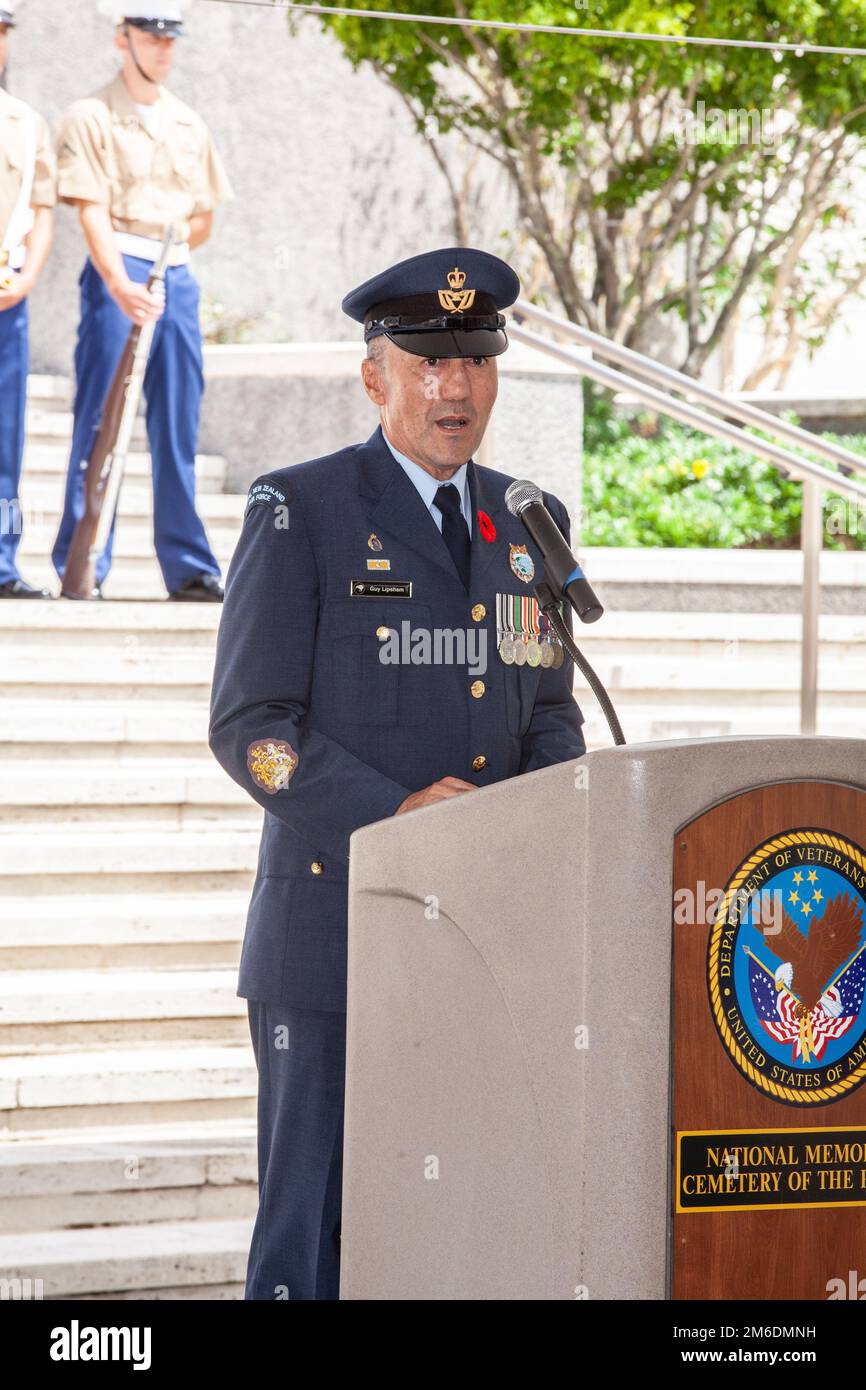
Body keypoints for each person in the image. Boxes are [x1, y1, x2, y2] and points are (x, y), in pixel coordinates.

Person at [209, 247, 587, 1300]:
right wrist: (399, 816)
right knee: (312, 1235)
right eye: (424, 362)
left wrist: (547, 816)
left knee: (463, 1219)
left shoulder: (528, 522)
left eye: (473, 359)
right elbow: (252, 728)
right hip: (330, 941)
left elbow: (548, 708)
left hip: (482, 941)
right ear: (373, 375)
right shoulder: (301, 511)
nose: (453, 386)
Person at [51, 3, 233, 601]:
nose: (163, 49)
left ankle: (187, 565)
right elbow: (91, 210)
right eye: (151, 37)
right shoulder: (90, 116)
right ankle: (84, 561)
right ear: (121, 39)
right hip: (120, 267)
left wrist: (179, 242)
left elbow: (204, 215)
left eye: (169, 39)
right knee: (101, 419)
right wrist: (116, 280)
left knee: (177, 422)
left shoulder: (187, 122)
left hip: (174, 271)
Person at [0, 0, 55, 599]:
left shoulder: (24, 122)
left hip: (7, 298)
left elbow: (40, 211)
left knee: (4, 437)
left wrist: (28, 276)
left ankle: (1, 563)